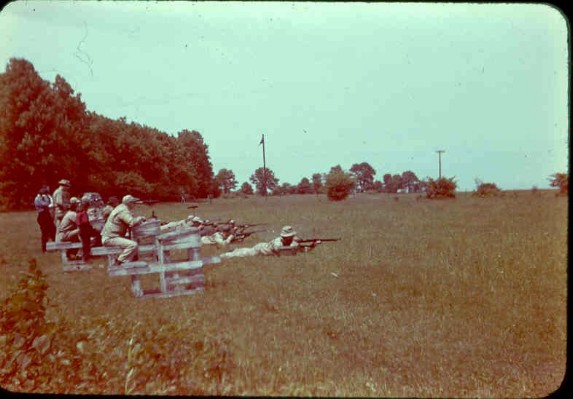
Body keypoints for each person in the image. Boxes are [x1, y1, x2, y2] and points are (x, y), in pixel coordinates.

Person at [101, 194, 146, 266]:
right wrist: (140, 218)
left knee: (134, 241)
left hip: (111, 236)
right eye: (133, 202)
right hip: (110, 238)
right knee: (133, 245)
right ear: (129, 203)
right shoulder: (123, 210)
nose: (134, 204)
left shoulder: (121, 208)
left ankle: (131, 260)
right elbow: (131, 222)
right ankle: (119, 262)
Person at [220, 225, 300, 259]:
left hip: (262, 247)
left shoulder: (287, 241)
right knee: (242, 254)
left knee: (246, 250)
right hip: (259, 249)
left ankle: (235, 250)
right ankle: (224, 255)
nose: (292, 237)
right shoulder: (278, 243)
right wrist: (295, 244)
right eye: (290, 237)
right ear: (285, 237)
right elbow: (283, 252)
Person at [76, 197, 100, 262]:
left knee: (85, 244)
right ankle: (85, 257)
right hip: (85, 230)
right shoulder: (83, 212)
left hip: (82, 229)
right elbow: (85, 221)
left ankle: (85, 256)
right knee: (86, 244)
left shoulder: (79, 210)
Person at [34, 185, 56, 252]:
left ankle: (55, 245)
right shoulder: (37, 199)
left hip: (47, 215)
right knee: (45, 232)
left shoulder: (45, 197)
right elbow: (45, 204)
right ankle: (44, 248)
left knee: (53, 230)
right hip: (42, 215)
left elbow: (49, 202)